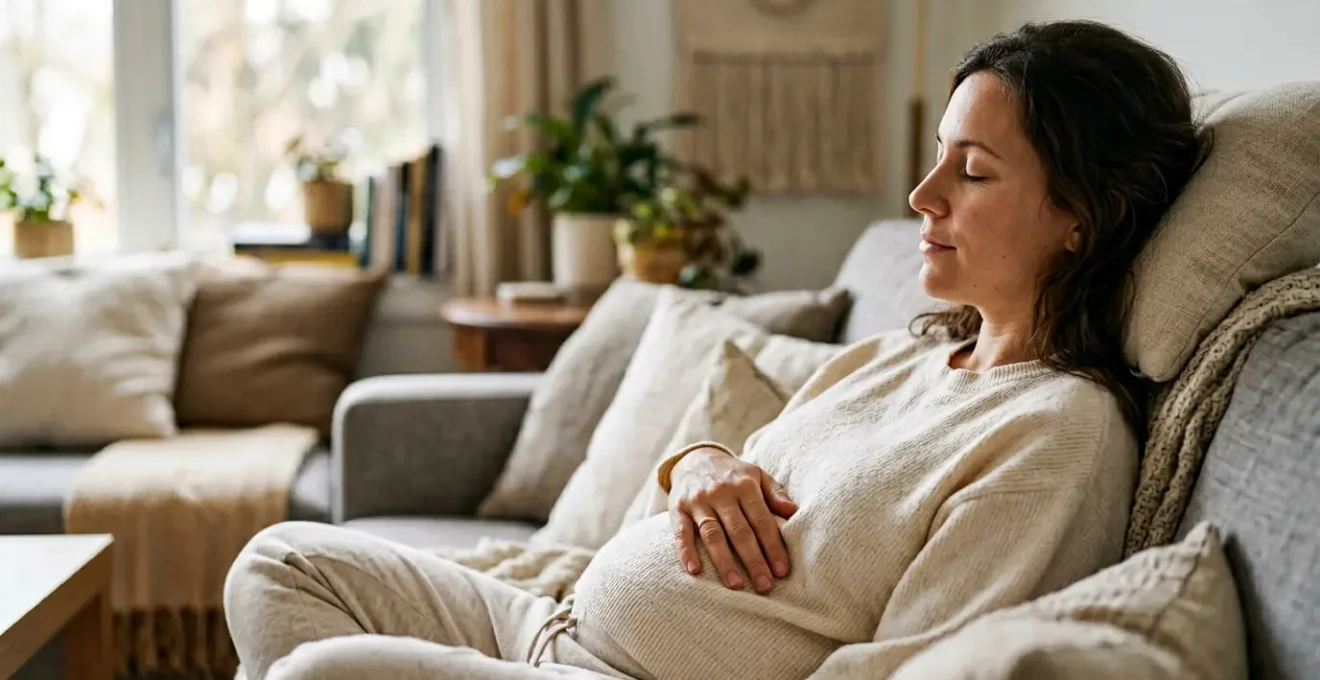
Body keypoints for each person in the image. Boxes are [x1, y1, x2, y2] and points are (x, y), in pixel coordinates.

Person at [224, 20, 1208, 680]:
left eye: (974, 171)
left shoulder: (1056, 433)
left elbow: (915, 661)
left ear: (1082, 212)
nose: (923, 194)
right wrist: (698, 462)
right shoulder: (901, 357)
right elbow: (715, 483)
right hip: (556, 623)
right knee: (276, 564)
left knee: (320, 672)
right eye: (939, 154)